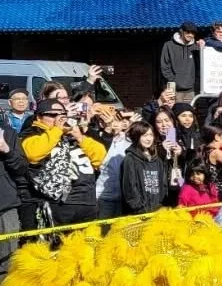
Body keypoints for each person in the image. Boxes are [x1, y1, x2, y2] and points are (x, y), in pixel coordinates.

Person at [20, 98, 106, 226]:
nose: (58, 118)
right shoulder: (32, 133)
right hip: (56, 204)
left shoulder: (73, 134)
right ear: (39, 117)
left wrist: (80, 137)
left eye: (62, 114)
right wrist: (57, 130)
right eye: (52, 115)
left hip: (86, 202)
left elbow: (101, 157)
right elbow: (33, 154)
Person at [120, 121, 167, 215]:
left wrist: (160, 204)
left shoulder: (157, 160)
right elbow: (129, 187)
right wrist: (139, 208)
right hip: (139, 213)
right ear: (137, 137)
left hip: (157, 210)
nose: (148, 139)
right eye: (144, 135)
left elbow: (163, 184)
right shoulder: (130, 159)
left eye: (150, 135)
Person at [95, 114, 133, 219]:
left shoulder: (130, 142)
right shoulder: (98, 141)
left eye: (118, 120)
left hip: (124, 197)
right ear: (101, 124)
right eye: (111, 121)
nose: (115, 124)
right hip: (102, 196)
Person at [0, 117, 26, 274]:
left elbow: (21, 167)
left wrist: (6, 149)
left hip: (5, 207)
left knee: (7, 262)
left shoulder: (7, 132)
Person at [160, 21, 204, 102]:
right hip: (173, 89)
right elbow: (165, 66)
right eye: (188, 32)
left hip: (191, 90)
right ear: (181, 31)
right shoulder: (168, 45)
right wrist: (174, 80)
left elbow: (201, 67)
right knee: (173, 112)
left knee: (188, 113)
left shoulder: (196, 47)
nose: (190, 35)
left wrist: (201, 48)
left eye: (193, 33)